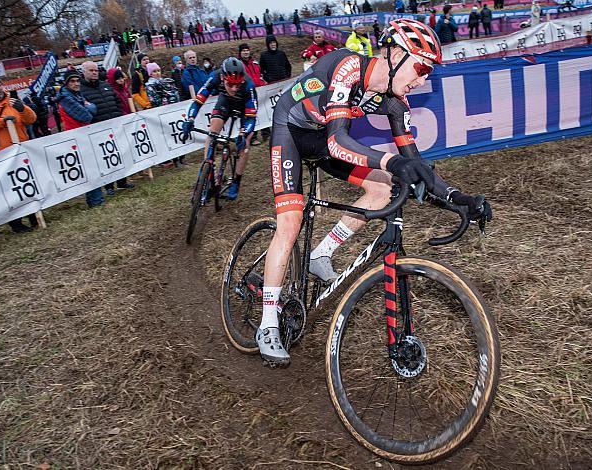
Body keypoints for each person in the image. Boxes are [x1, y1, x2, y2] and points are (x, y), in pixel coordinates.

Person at [255, 18, 492, 365]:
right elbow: (338, 142)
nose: (424, 79)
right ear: (395, 53)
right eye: (422, 67)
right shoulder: (347, 65)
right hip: (291, 129)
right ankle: (267, 323)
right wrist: (393, 163)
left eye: (429, 73)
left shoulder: (395, 102)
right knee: (290, 222)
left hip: (323, 136)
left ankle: (321, 254)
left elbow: (417, 165)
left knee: (382, 189)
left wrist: (458, 198)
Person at [182, 57, 258, 200]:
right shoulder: (215, 77)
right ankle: (205, 175)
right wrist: (189, 119)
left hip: (243, 109)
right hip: (225, 102)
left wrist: (244, 133)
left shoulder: (248, 85)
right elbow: (198, 101)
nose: (235, 88)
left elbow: (251, 118)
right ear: (223, 78)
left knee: (245, 143)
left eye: (238, 84)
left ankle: (236, 181)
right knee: (212, 133)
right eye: (230, 84)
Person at [0, 73, 38, 233]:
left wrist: (22, 109)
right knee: (8, 190)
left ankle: (34, 215)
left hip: (19, 151)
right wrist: (1, 122)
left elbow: (31, 119)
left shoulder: (12, 102)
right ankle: (15, 223)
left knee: (26, 184)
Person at [81, 61, 135, 198]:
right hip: (98, 128)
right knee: (106, 158)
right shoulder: (81, 90)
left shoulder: (105, 85)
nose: (94, 72)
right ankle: (109, 186)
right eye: (91, 70)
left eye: (95, 70)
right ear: (84, 72)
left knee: (119, 154)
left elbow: (116, 102)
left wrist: (118, 115)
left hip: (114, 125)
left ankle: (122, 181)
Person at [57, 70, 100, 206]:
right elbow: (86, 116)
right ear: (66, 83)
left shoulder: (77, 95)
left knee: (92, 167)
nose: (76, 84)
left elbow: (94, 109)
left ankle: (95, 199)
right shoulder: (65, 98)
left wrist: (89, 107)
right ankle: (95, 200)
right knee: (89, 168)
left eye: (77, 81)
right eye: (72, 81)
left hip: (83, 134)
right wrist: (88, 107)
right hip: (75, 137)